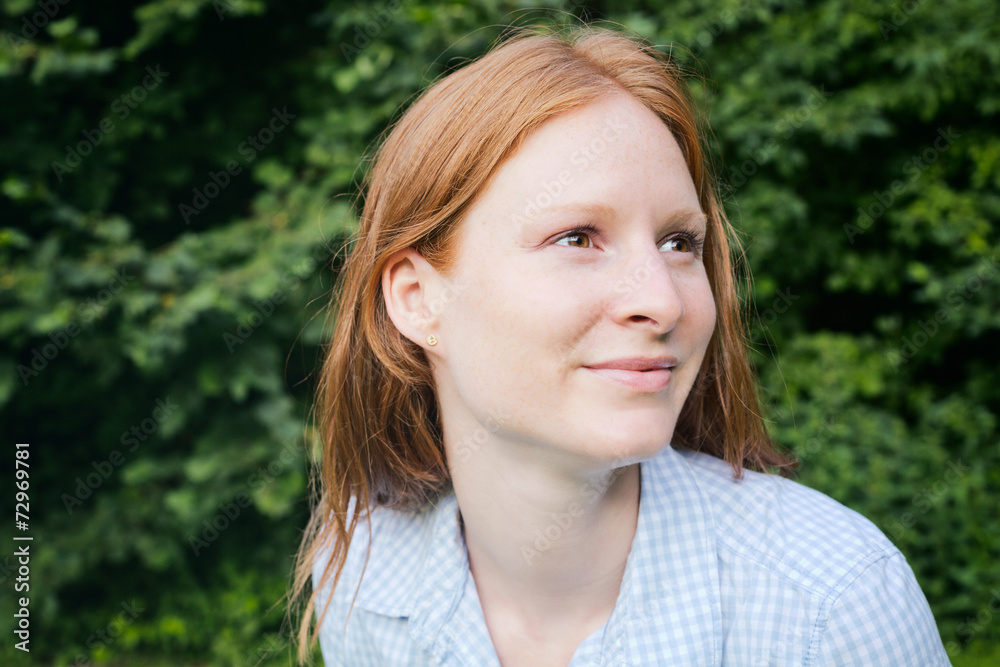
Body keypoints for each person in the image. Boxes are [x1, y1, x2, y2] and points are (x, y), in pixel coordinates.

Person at [288, 23, 951, 666]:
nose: (662, 300)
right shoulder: (366, 583)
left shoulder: (833, 604)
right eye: (577, 237)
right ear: (416, 299)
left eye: (679, 243)